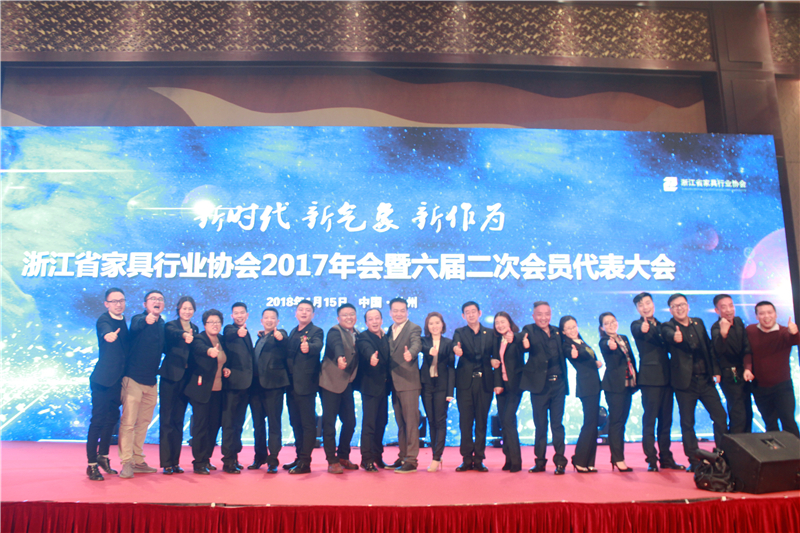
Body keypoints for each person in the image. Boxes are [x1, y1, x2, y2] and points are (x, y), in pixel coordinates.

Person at [661, 293, 728, 472]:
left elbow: (708, 347)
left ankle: (722, 455)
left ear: (688, 306)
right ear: (671, 310)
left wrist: (715, 370)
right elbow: (668, 335)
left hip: (705, 380)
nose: (680, 308)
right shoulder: (668, 326)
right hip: (685, 383)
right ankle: (695, 460)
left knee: (720, 417)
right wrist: (675, 337)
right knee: (687, 423)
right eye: (675, 306)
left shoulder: (698, 323)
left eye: (682, 304)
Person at [630, 292, 684, 472]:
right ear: (637, 309)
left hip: (667, 379)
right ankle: (651, 460)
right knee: (650, 421)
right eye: (641, 305)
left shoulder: (663, 326)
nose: (645, 307)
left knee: (666, 421)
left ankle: (666, 458)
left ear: (653, 304)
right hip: (650, 380)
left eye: (647, 303)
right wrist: (643, 328)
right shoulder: (636, 324)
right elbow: (639, 330)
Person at [118, 290, 165, 479]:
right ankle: (126, 462)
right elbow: (137, 326)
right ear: (145, 304)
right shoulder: (139, 319)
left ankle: (138, 460)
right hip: (133, 379)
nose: (157, 301)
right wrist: (147, 320)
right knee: (128, 423)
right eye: (153, 299)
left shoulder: (162, 324)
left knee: (143, 423)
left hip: (151, 382)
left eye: (160, 299)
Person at [520, 301, 568, 475]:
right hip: (539, 387)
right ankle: (539, 462)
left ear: (551, 314)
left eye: (547, 314)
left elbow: (572, 343)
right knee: (540, 425)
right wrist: (523, 344)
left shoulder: (557, 331)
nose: (543, 318)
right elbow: (520, 341)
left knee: (557, 425)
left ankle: (560, 462)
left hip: (558, 385)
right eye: (539, 314)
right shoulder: (529, 330)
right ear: (533, 316)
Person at [86, 288, 129, 481]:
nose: (118, 304)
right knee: (98, 421)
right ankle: (91, 465)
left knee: (112, 420)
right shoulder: (104, 320)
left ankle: (103, 457)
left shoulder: (124, 320)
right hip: (102, 381)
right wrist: (108, 335)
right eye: (114, 301)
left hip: (117, 381)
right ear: (106, 304)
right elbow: (105, 330)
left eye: (121, 300)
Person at [744, 301, 800, 438]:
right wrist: (747, 368)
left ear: (775, 314)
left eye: (770, 312)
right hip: (759, 388)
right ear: (757, 316)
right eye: (762, 313)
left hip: (782, 387)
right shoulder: (750, 330)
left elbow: (794, 340)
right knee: (770, 424)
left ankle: (795, 450)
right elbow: (747, 351)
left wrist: (794, 332)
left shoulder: (784, 332)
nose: (766, 316)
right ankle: (775, 452)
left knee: (788, 421)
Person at [452, 301, 495, 472]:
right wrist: (456, 350)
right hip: (465, 383)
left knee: (481, 422)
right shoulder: (459, 332)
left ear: (479, 313)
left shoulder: (490, 333)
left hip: (484, 382)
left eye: (473, 311)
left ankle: (479, 459)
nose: (471, 315)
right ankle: (466, 458)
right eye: (467, 312)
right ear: (463, 316)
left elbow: (495, 354)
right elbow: (455, 344)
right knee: (465, 422)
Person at [158, 296, 199, 475]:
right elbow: (173, 333)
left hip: (186, 380)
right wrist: (184, 335)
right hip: (170, 378)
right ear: (178, 309)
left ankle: (175, 461)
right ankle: (166, 462)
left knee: (178, 420)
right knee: (167, 420)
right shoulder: (170, 325)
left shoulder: (195, 329)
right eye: (184, 308)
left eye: (190, 309)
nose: (187, 311)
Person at [184, 309, 227, 475]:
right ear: (204, 324)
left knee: (214, 425)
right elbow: (200, 348)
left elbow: (225, 360)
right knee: (201, 426)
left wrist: (227, 368)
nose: (215, 325)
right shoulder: (199, 338)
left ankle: (206, 458)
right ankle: (198, 461)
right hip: (201, 390)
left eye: (218, 322)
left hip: (218, 390)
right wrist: (210, 351)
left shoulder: (222, 339)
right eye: (211, 322)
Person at [284, 300, 324, 474]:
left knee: (307, 424)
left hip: (306, 385)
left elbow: (317, 345)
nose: (304, 313)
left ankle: (305, 462)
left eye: (308, 310)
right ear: (296, 313)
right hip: (291, 385)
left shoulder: (316, 331)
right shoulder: (294, 331)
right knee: (295, 422)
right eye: (301, 310)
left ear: (313, 314)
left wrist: (310, 347)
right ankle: (299, 457)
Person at [320, 303, 360, 474]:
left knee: (350, 421)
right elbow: (336, 345)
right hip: (330, 383)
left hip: (346, 383)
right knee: (329, 423)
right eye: (345, 315)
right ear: (338, 318)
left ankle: (343, 455)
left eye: (351, 314)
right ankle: (332, 460)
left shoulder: (357, 334)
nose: (348, 317)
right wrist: (340, 357)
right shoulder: (334, 331)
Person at [248, 307, 289, 473]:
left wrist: (280, 336)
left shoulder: (279, 335)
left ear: (277, 321)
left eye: (273, 318)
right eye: (266, 318)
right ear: (261, 321)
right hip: (255, 387)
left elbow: (283, 339)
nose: (269, 320)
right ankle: (259, 457)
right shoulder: (260, 338)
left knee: (274, 423)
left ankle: (273, 459)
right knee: (258, 424)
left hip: (274, 387)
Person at [560, 315, 601, 473]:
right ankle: (579, 459)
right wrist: (573, 353)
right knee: (589, 423)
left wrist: (595, 362)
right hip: (586, 385)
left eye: (573, 326)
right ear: (563, 331)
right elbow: (571, 353)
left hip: (595, 384)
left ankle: (589, 461)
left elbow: (590, 359)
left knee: (594, 423)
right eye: (568, 328)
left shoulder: (581, 341)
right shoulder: (567, 345)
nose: (572, 330)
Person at [386, 297, 423, 473]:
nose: (399, 314)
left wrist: (412, 353)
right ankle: (402, 456)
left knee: (411, 422)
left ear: (407, 312)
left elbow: (417, 343)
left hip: (409, 382)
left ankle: (412, 460)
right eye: (395, 310)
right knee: (401, 423)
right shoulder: (389, 330)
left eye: (402, 310)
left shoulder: (414, 328)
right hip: (394, 383)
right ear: (390, 312)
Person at [599, 311, 638, 472]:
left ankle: (617, 457)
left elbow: (631, 360)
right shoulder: (604, 341)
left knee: (622, 422)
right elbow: (607, 346)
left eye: (613, 321)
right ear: (602, 327)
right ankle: (617, 458)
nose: (611, 325)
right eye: (606, 323)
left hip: (627, 385)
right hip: (614, 387)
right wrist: (610, 344)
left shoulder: (624, 338)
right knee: (616, 422)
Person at [710, 294, 753, 434]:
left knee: (747, 411)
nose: (729, 310)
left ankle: (748, 443)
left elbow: (746, 347)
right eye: (724, 307)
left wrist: (748, 368)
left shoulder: (738, 321)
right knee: (738, 413)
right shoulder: (716, 328)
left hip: (743, 371)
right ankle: (735, 444)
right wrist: (723, 334)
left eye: (731, 305)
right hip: (730, 374)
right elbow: (717, 351)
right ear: (717, 310)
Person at [220, 302, 255, 474]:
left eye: (242, 313)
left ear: (247, 315)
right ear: (232, 316)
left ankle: (234, 457)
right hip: (232, 386)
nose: (239, 315)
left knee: (238, 424)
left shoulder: (247, 332)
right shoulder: (230, 329)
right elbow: (229, 334)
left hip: (245, 386)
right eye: (236, 313)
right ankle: (227, 461)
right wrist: (237, 332)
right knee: (229, 424)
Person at [355, 308, 391, 472]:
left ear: (382, 320)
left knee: (382, 422)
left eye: (377, 318)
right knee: (369, 424)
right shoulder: (363, 337)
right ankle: (366, 459)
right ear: (366, 322)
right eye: (371, 319)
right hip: (370, 387)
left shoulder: (386, 337)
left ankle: (377, 456)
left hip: (384, 387)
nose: (374, 322)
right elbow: (366, 349)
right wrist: (371, 357)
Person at [420, 312, 455, 472]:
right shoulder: (423, 341)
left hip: (442, 386)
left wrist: (450, 391)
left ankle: (436, 456)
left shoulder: (448, 343)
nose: (434, 326)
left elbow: (451, 368)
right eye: (431, 323)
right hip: (426, 385)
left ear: (442, 325)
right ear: (427, 326)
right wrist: (429, 351)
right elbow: (421, 348)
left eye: (437, 323)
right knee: (431, 421)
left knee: (440, 421)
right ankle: (436, 454)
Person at [490, 311, 524, 473]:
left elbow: (525, 346)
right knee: (503, 421)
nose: (500, 325)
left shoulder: (516, 338)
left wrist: (515, 339)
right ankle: (508, 458)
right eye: (497, 322)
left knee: (509, 419)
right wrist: (497, 382)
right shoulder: (497, 340)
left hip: (515, 386)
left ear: (509, 323)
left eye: (503, 322)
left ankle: (516, 461)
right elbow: (496, 362)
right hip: (501, 386)